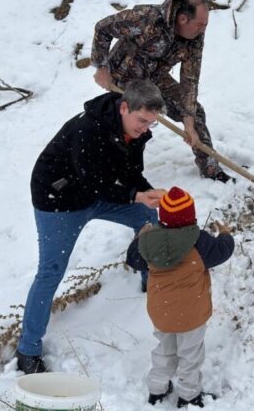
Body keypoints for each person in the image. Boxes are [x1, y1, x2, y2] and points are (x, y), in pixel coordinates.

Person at [16, 80, 167, 375]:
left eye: (152, 123)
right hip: (60, 200)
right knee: (51, 271)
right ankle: (28, 350)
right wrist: (135, 195)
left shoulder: (136, 131)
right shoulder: (88, 129)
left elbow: (131, 172)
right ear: (124, 107)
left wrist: (148, 193)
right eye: (142, 121)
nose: (146, 128)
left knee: (149, 219)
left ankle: (152, 279)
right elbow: (93, 180)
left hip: (99, 194)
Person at [90, 0, 231, 183]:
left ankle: (210, 168)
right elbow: (103, 28)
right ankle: (111, 176)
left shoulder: (195, 37)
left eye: (205, 24)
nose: (203, 29)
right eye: (200, 24)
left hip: (155, 78)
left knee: (195, 112)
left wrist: (188, 119)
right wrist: (101, 66)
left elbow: (190, 77)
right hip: (124, 78)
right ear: (183, 19)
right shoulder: (146, 18)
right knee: (128, 124)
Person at [126, 186, 235, 407]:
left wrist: (141, 236)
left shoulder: (149, 242)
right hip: (191, 315)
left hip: (162, 313)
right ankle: (189, 395)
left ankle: (157, 390)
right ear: (191, 216)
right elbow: (223, 251)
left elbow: (133, 259)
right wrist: (225, 233)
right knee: (190, 356)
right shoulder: (199, 241)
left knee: (165, 352)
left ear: (163, 217)